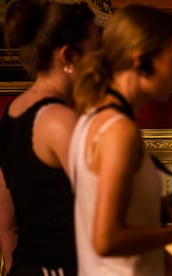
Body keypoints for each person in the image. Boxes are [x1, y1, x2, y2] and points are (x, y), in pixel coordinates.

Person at [68, 4, 172, 276]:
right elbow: (105, 240)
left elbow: (125, 219)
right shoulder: (118, 131)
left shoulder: (94, 119)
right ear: (141, 61)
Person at [0, 0, 101, 275]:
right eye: (95, 52)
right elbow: (105, 217)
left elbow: (6, 220)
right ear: (68, 56)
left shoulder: (13, 111)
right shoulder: (58, 121)